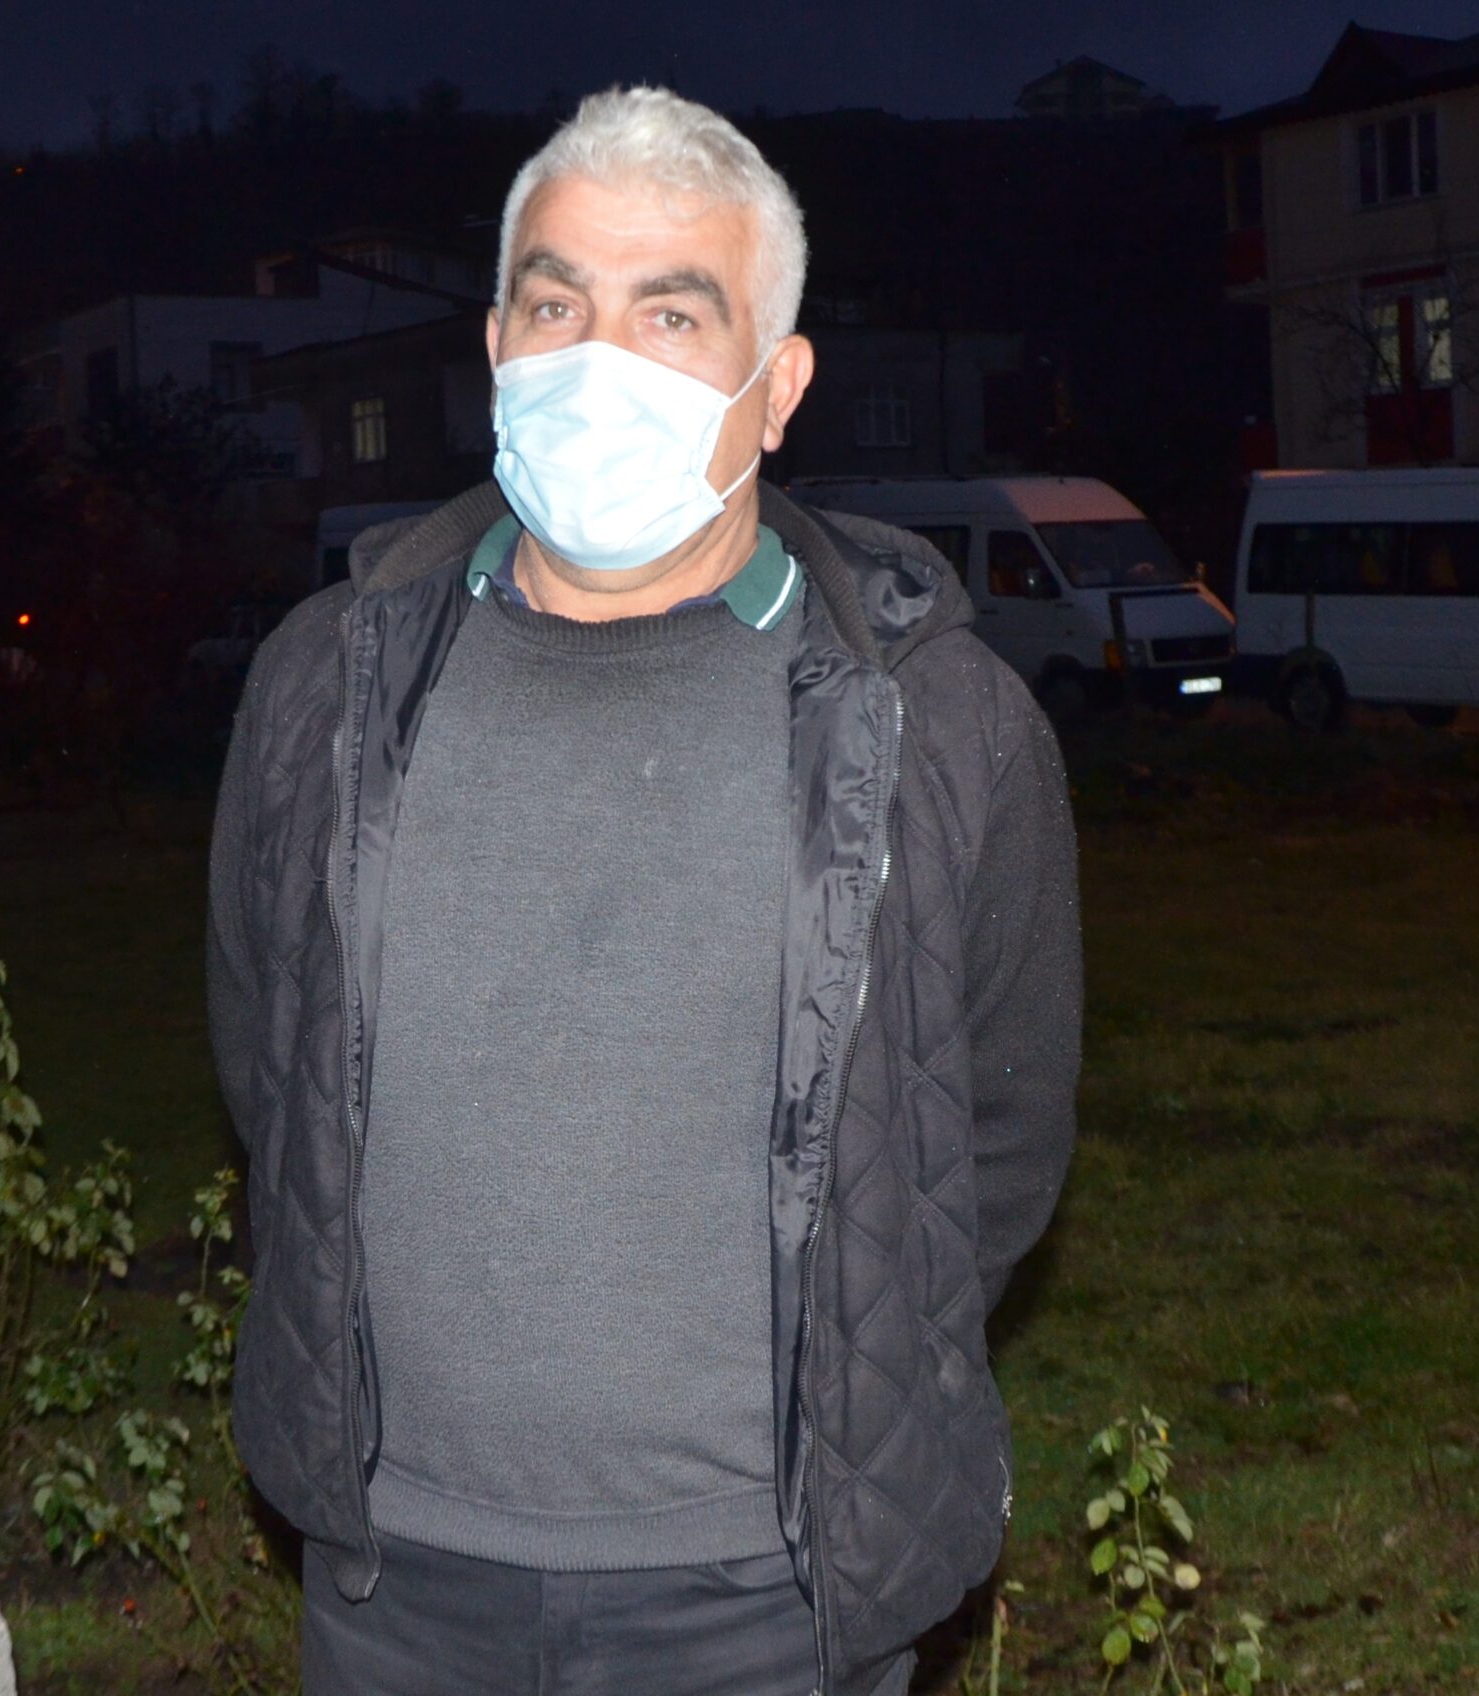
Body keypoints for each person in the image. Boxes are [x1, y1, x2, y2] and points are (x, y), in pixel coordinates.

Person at [207, 86, 1081, 1696]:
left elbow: (998, 1140)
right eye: (558, 307)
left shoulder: (936, 719)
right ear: (495, 345)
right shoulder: (325, 684)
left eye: (672, 315)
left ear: (779, 386)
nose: (596, 362)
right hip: (395, 1582)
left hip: (776, 1601)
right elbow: (273, 1064)